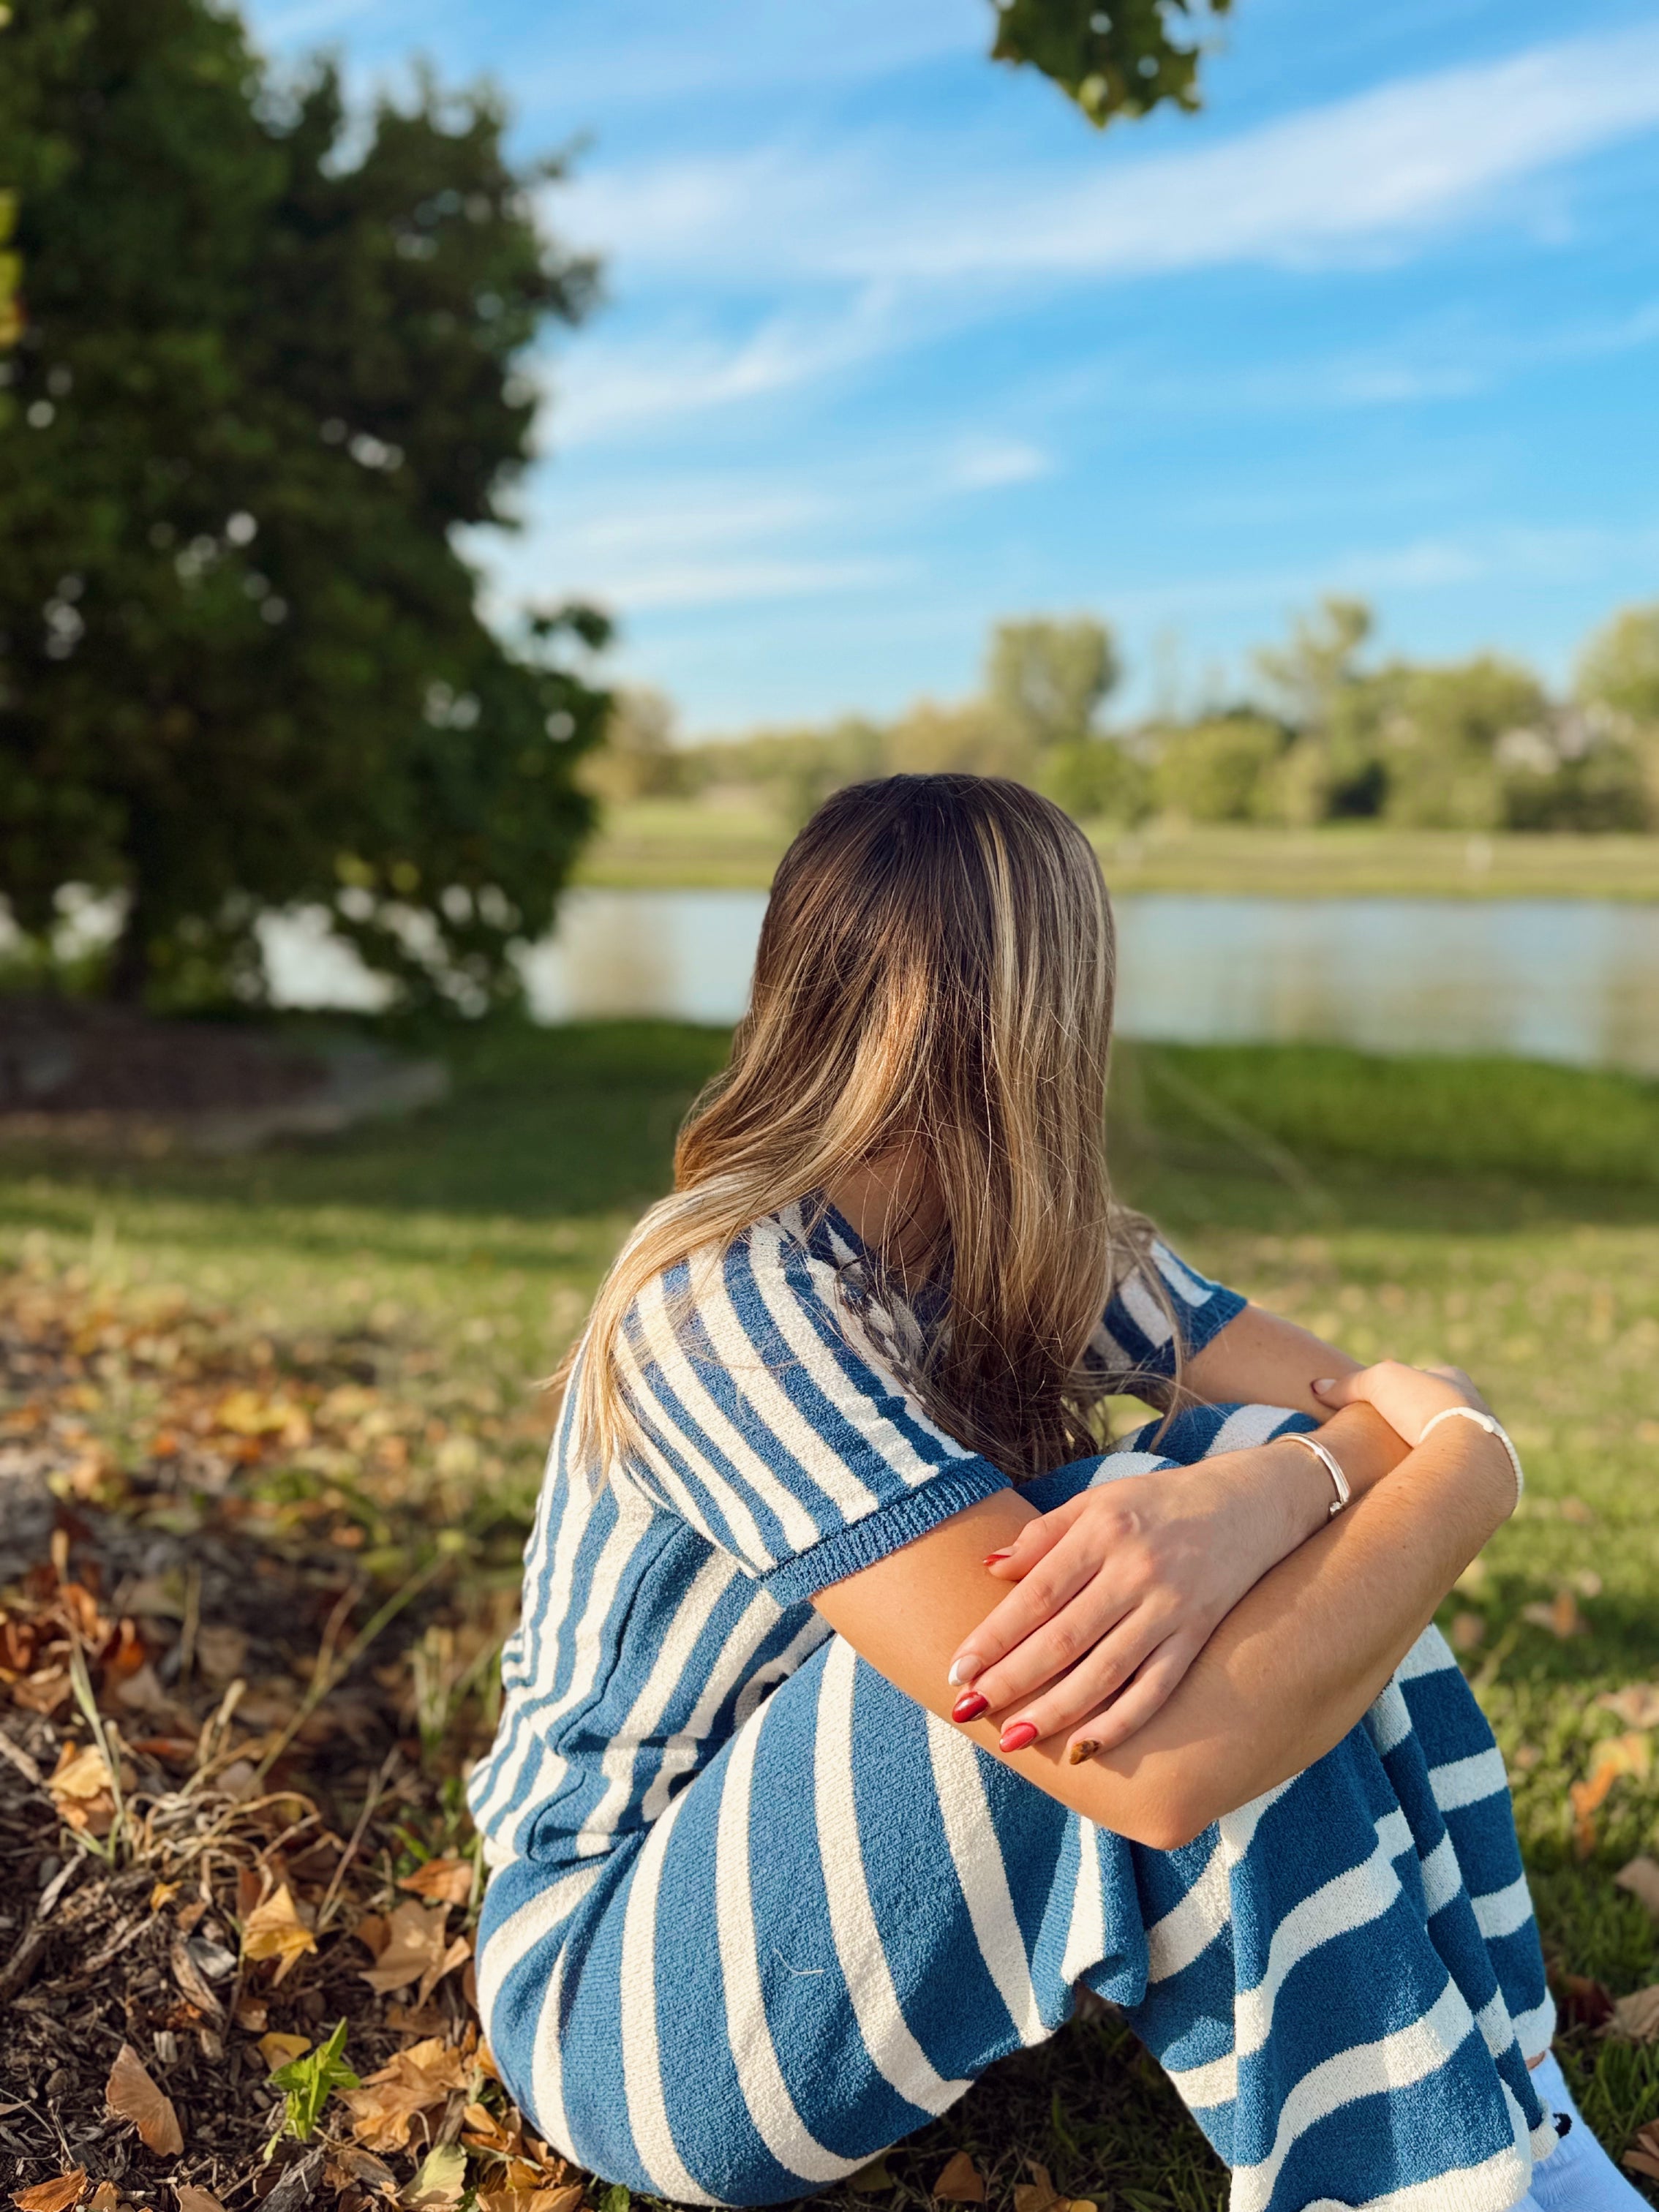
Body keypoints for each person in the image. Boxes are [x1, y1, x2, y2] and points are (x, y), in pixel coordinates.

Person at [469, 775, 1639, 2212]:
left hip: (812, 1914)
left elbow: (1374, 1411)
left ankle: (1523, 2135)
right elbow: (1170, 1770)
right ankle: (1430, 2187)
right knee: (1148, 1577)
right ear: (1048, 1009)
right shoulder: (728, 1302)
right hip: (628, 2002)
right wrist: (1456, 1472)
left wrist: (1277, 1492)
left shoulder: (1025, 1251)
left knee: (1209, 1514)